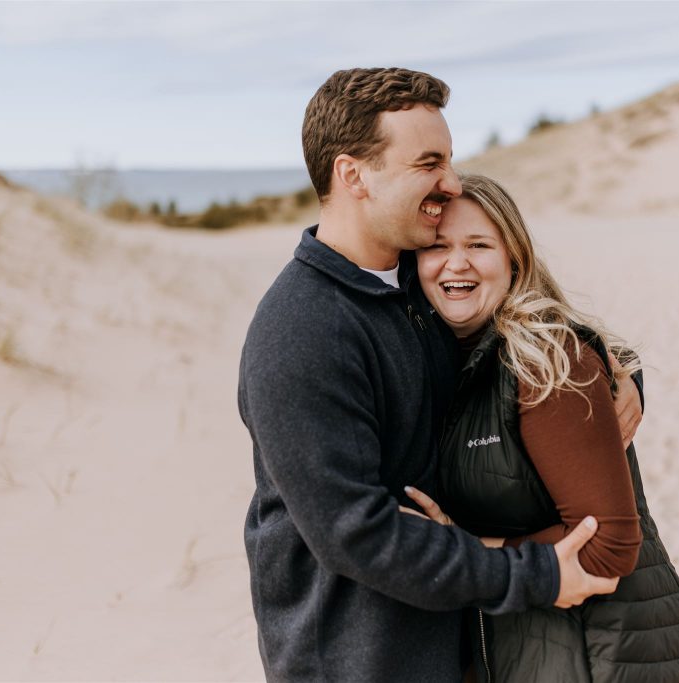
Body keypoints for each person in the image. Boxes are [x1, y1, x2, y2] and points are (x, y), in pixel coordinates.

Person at [238, 68, 622, 683]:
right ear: (354, 176)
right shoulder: (301, 330)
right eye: (428, 163)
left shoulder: (414, 292)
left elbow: (514, 342)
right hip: (356, 663)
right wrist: (535, 575)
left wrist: (615, 377)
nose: (451, 182)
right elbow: (356, 533)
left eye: (449, 160)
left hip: (450, 647)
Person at [405, 174, 679, 682]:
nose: (457, 262)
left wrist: (462, 548)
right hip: (528, 651)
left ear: (514, 258)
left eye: (479, 245)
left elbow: (608, 547)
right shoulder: (442, 365)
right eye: (438, 246)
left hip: (602, 658)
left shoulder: (549, 362)